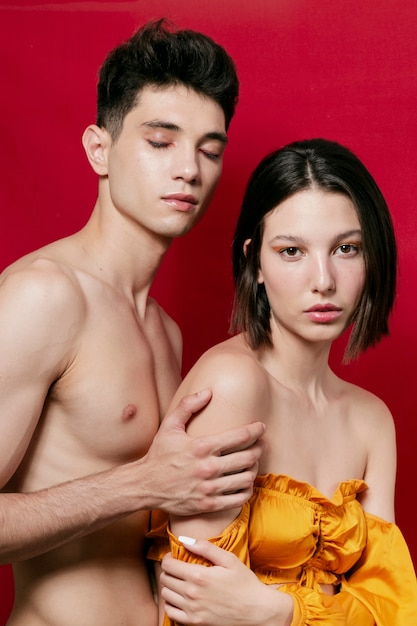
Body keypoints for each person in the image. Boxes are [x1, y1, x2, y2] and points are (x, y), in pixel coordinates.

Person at [0, 19, 266, 626]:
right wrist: (143, 484)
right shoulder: (45, 296)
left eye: (209, 149)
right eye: (160, 141)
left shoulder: (165, 331)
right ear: (100, 149)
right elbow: (153, 485)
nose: (190, 170)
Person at [155, 138, 417, 625]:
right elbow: (193, 605)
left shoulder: (371, 419)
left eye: (346, 248)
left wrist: (278, 612)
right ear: (255, 262)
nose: (324, 280)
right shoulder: (233, 385)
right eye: (292, 250)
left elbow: (393, 610)